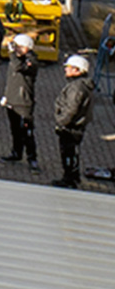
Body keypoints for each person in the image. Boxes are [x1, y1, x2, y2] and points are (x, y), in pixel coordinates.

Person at [52, 53, 94, 188]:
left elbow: (72, 109)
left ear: (77, 70)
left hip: (71, 127)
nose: (66, 69)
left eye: (69, 67)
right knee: (72, 152)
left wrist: (61, 122)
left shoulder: (76, 88)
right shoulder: (81, 85)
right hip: (76, 126)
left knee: (68, 153)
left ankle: (69, 179)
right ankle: (73, 177)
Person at [0, 33, 39, 170]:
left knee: (27, 131)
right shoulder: (15, 59)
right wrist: (6, 96)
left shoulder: (31, 61)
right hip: (12, 100)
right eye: (16, 47)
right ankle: (16, 152)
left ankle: (32, 158)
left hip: (24, 103)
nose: (17, 50)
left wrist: (12, 54)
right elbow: (11, 80)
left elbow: (19, 67)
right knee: (15, 130)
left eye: (20, 47)